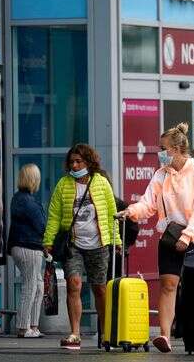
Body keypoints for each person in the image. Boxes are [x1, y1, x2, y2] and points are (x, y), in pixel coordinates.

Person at [119, 123, 194, 353]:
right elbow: (148, 203)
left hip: (192, 236)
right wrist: (131, 211)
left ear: (175, 149)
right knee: (168, 284)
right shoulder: (160, 174)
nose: (159, 153)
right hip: (168, 237)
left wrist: (188, 235)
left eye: (162, 148)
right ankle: (164, 334)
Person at [43, 144, 121, 350]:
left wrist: (117, 241)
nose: (75, 165)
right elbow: (54, 216)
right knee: (74, 284)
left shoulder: (101, 183)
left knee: (100, 289)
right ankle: (75, 333)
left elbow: (112, 214)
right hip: (73, 245)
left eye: (79, 161)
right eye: (72, 162)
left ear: (88, 162)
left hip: (98, 244)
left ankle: (105, 333)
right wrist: (48, 242)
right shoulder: (63, 185)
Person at [7, 163, 46, 338]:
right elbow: (42, 226)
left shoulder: (18, 198)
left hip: (22, 246)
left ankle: (33, 326)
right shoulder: (28, 202)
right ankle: (24, 328)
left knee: (38, 286)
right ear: (33, 180)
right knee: (30, 286)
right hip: (28, 247)